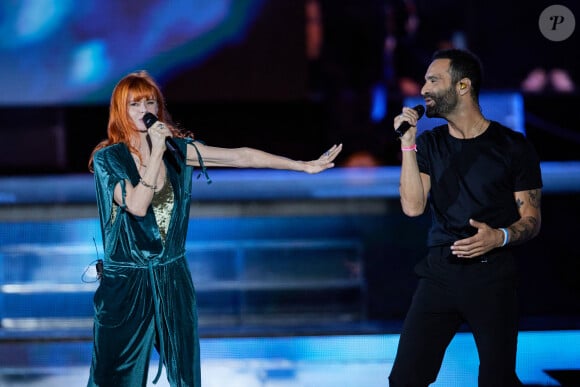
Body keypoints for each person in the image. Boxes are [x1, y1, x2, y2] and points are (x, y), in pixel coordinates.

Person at [86, 70, 342, 387]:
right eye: (134, 104)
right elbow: (138, 205)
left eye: (149, 102)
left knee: (186, 376)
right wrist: (155, 153)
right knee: (112, 378)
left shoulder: (179, 152)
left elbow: (242, 157)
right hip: (126, 284)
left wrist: (303, 165)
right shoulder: (107, 160)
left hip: (172, 277)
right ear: (120, 112)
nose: (144, 111)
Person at [389, 49, 542, 386]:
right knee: (404, 379)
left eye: (433, 80)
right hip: (439, 273)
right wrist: (408, 144)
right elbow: (413, 207)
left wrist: (498, 236)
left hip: (492, 274)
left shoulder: (513, 146)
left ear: (462, 86)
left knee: (496, 379)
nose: (423, 89)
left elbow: (531, 218)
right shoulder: (428, 144)